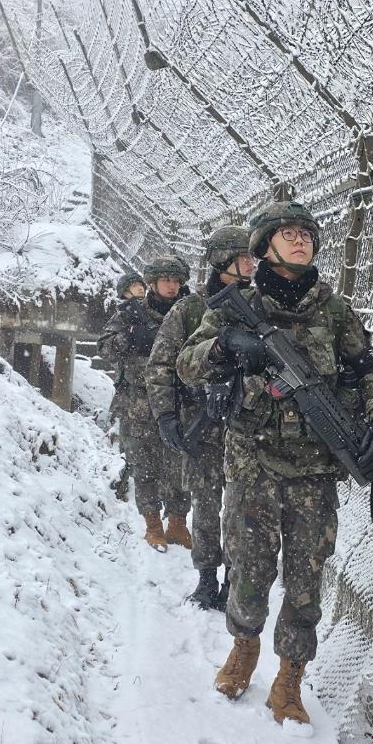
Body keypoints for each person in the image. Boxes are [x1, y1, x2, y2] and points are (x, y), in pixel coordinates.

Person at [176, 201, 373, 727]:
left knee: (306, 578)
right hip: (251, 460)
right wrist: (228, 344)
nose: (301, 241)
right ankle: (244, 647)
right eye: (288, 233)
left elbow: (368, 370)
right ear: (265, 247)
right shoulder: (234, 306)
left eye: (307, 233)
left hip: (315, 469)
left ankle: (289, 679)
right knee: (248, 570)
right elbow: (187, 362)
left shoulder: (335, 310)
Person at [146, 226, 253, 611]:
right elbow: (161, 364)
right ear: (222, 262)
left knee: (242, 511)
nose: (250, 264)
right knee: (206, 507)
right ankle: (207, 578)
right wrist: (166, 417)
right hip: (202, 425)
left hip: (247, 427)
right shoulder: (190, 309)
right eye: (242, 258)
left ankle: (234, 581)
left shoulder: (260, 302)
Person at [98, 256, 192, 552]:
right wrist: (131, 338)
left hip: (179, 399)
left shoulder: (189, 310)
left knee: (179, 463)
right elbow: (105, 346)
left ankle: (178, 522)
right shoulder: (130, 314)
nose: (172, 286)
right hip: (139, 402)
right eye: (166, 281)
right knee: (145, 464)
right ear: (152, 283)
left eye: (176, 281)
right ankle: (153, 525)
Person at [105, 273, 146, 502]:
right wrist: (127, 337)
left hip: (157, 391)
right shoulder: (122, 316)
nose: (139, 289)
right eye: (133, 287)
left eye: (140, 285)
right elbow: (106, 347)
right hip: (130, 393)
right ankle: (124, 487)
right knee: (131, 447)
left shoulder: (155, 310)